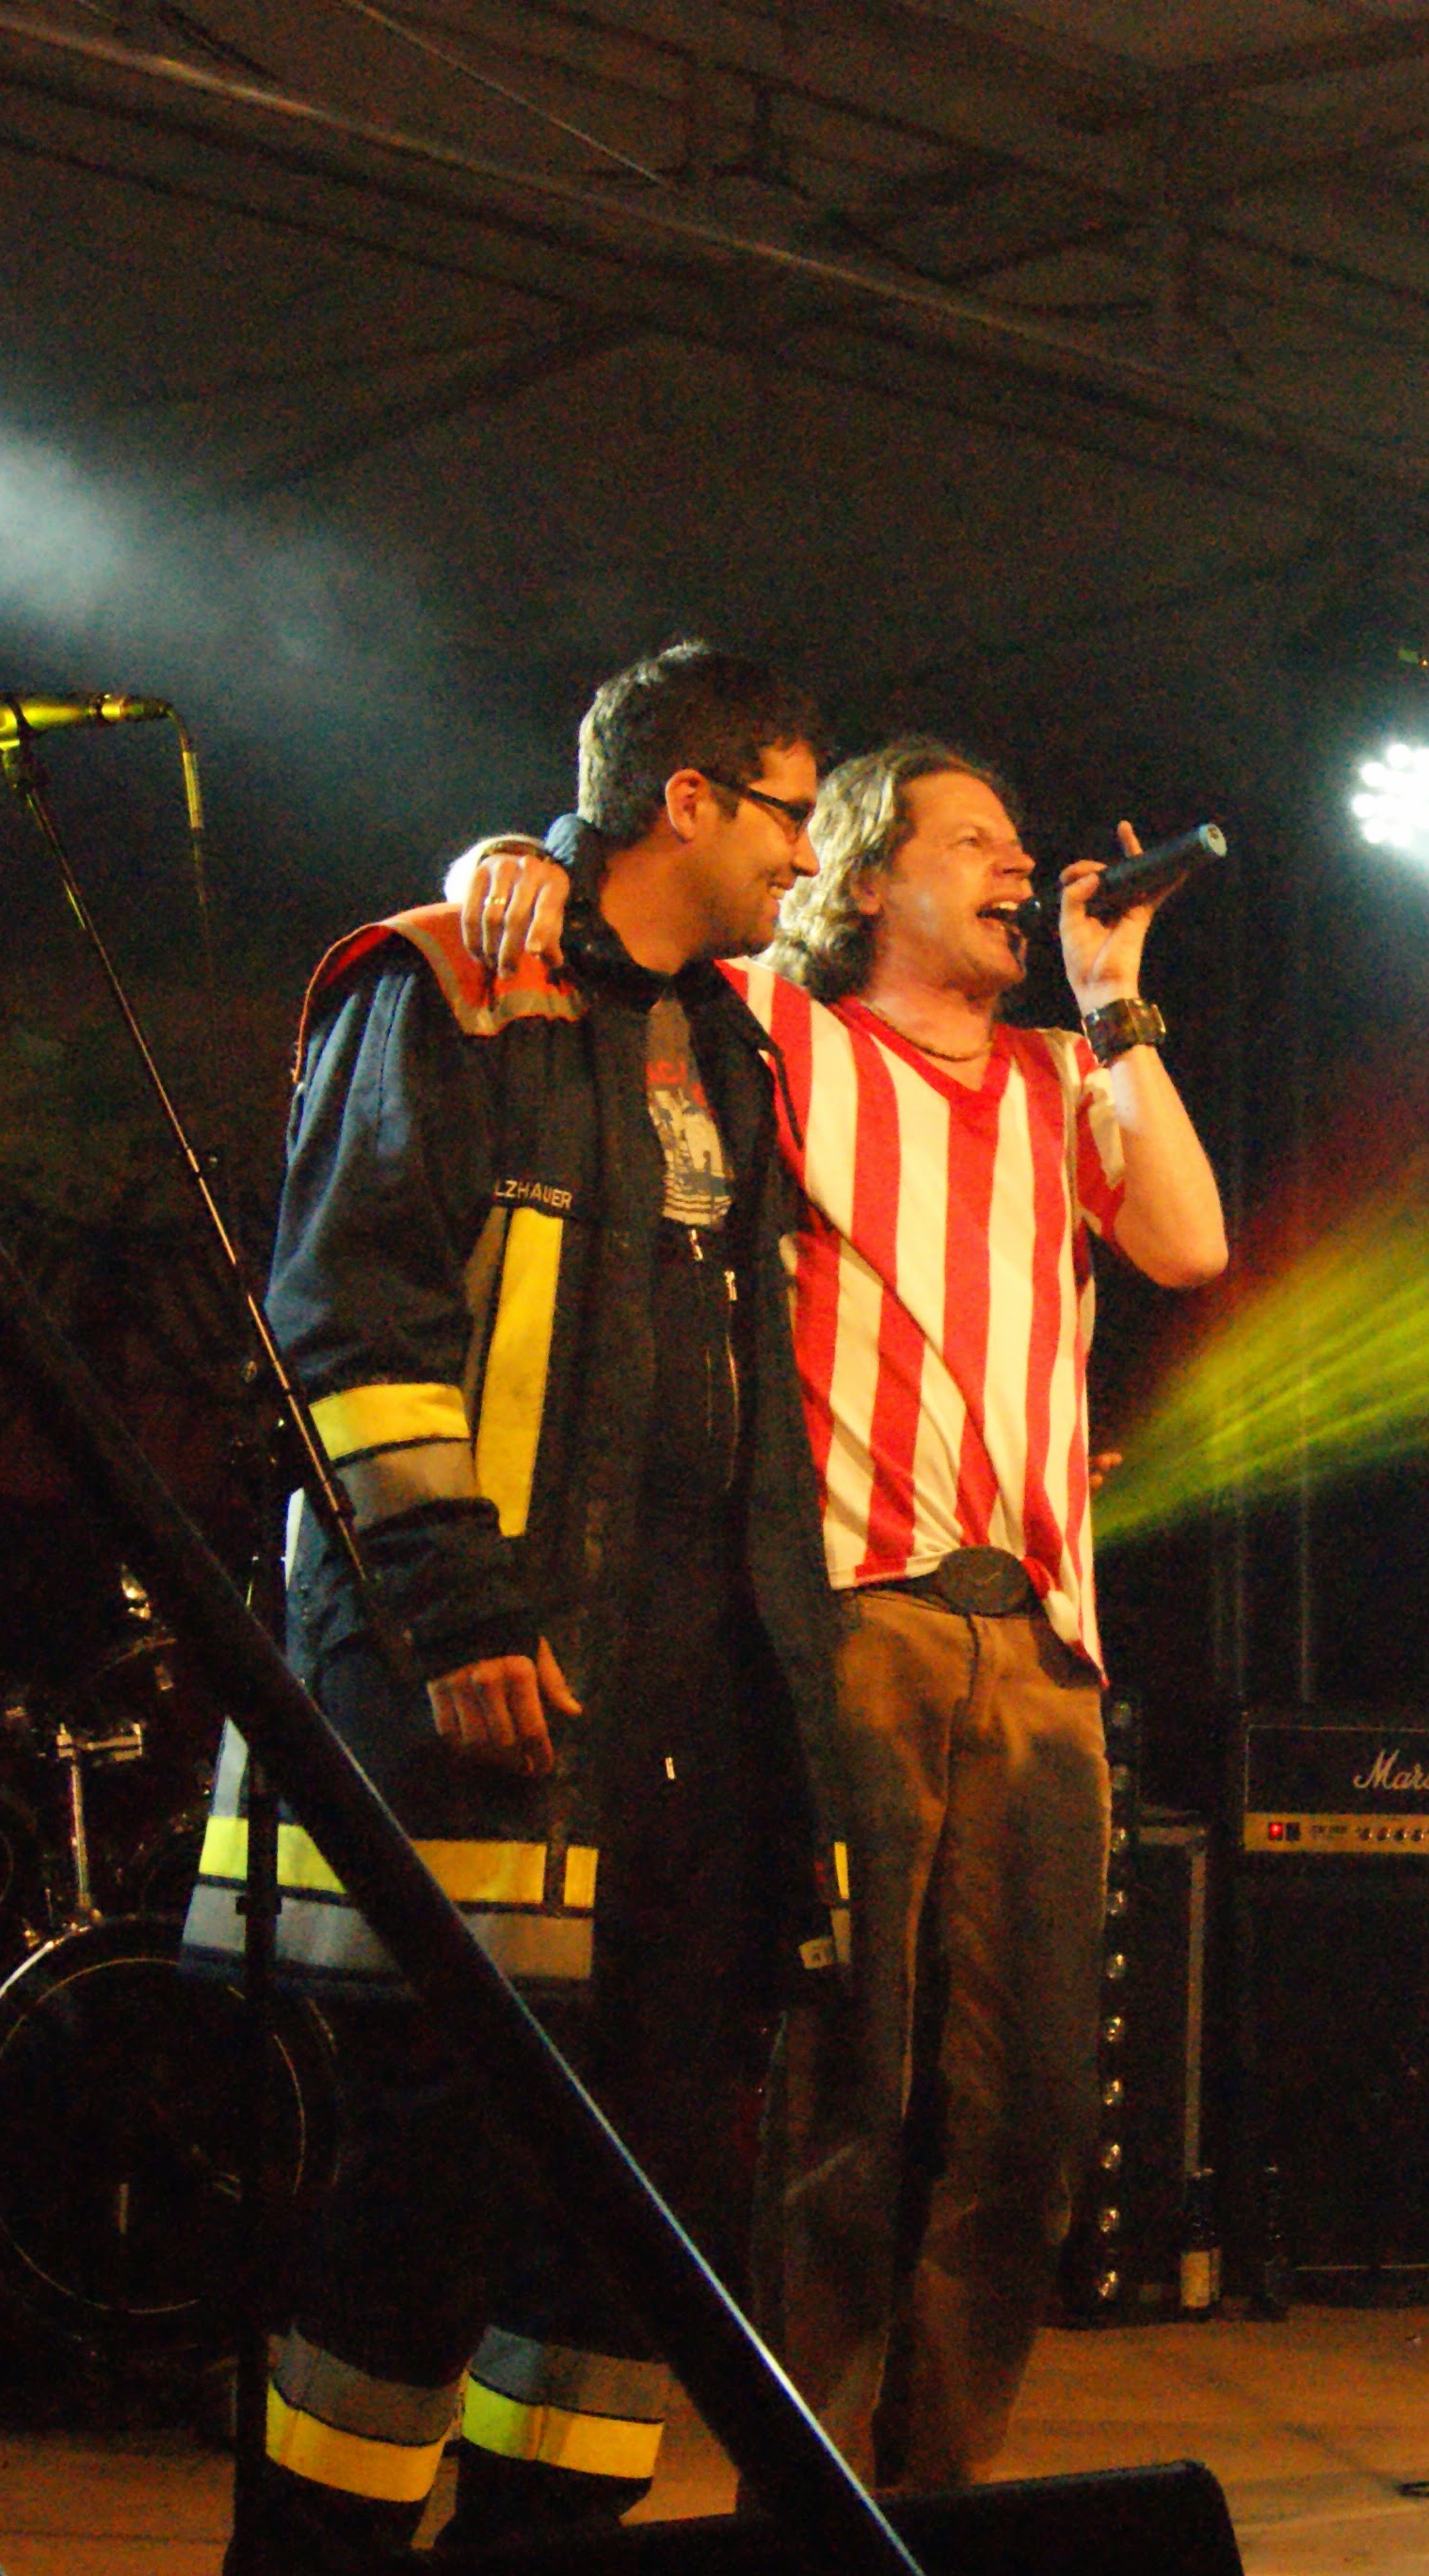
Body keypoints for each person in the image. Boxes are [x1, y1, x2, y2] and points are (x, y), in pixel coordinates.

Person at [447, 737, 1227, 2487]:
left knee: (1031, 2114)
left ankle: (936, 2509)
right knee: (845, 2097)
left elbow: (1190, 1246)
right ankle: (809, 2512)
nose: (1019, 867)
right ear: (865, 875)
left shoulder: (1061, 1073)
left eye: (1022, 843)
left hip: (1043, 1644)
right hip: (857, 1626)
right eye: (977, 841)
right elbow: (624, 934)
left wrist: (1114, 992)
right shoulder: (778, 1035)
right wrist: (516, 849)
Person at [185, 642, 845, 2576]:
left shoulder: (730, 1042)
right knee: (433, 2186)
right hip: (495, 1702)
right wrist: (459, 1608)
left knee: (643, 2217)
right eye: (792, 812)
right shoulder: (450, 984)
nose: (807, 858)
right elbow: (345, 1322)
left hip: (692, 1724)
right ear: (688, 799)